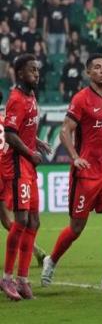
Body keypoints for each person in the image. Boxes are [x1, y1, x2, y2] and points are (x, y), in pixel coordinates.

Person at [41, 54, 102, 289]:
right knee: (76, 228)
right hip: (86, 173)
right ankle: (51, 260)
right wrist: (75, 157)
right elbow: (64, 131)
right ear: (88, 72)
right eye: (97, 67)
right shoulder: (81, 99)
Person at [0, 55, 50, 301]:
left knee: (34, 222)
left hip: (30, 166)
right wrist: (30, 152)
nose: (36, 74)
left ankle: (22, 278)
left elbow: (22, 129)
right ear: (20, 73)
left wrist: (36, 141)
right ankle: (7, 278)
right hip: (19, 165)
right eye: (32, 70)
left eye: (37, 70)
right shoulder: (16, 99)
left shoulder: (31, 96)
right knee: (20, 220)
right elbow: (10, 135)